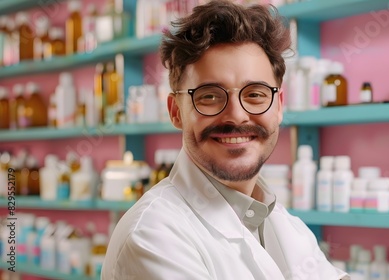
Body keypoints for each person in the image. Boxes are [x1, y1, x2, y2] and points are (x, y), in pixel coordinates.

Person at [102, 1, 349, 279]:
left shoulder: (284, 224)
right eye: (209, 96)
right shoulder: (152, 237)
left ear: (279, 106)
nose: (236, 116)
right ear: (176, 112)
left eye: (255, 94)